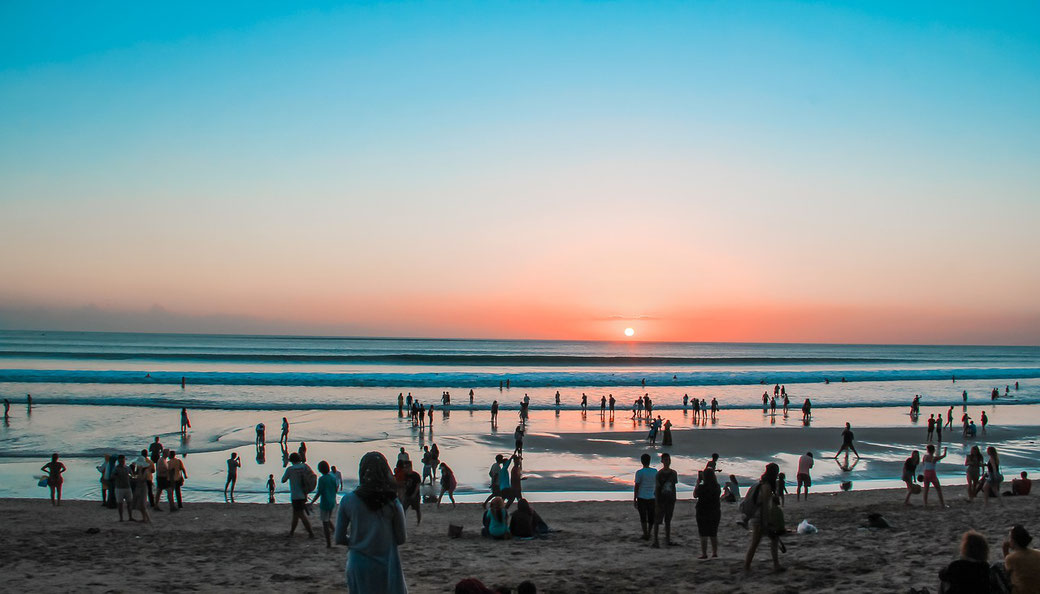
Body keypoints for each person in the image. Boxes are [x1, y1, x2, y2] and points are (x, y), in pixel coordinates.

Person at [334, 451, 407, 594]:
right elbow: (401, 538)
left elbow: (339, 538)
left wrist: (357, 541)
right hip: (387, 565)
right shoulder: (392, 502)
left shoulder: (348, 500)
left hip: (358, 564)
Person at [744, 463, 784, 573]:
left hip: (758, 517)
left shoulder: (761, 483)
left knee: (772, 540)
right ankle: (747, 566)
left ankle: (776, 565)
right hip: (760, 518)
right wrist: (766, 522)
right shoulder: (767, 487)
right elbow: (765, 506)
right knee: (756, 542)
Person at [281, 452, 315, 538]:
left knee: (300, 515)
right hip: (303, 494)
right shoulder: (304, 467)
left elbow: (283, 480)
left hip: (295, 495)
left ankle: (311, 533)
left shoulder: (290, 469)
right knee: (296, 514)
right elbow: (312, 476)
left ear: (291, 460)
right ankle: (291, 532)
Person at [1002, 525, 1040, 593]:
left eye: (1010, 538)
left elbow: (1006, 575)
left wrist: (1005, 550)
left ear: (1013, 541)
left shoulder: (1011, 558)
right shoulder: (1038, 553)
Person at [310, 461, 339, 548]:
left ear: (320, 470)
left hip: (325, 503)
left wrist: (311, 502)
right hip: (332, 502)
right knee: (328, 519)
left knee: (325, 523)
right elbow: (336, 489)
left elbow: (319, 492)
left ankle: (328, 543)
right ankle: (335, 531)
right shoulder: (333, 478)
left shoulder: (322, 479)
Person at [695, 468, 722, 559]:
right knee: (713, 533)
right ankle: (714, 552)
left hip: (702, 511)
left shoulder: (702, 487)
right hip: (714, 511)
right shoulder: (717, 486)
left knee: (703, 533)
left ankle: (704, 553)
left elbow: (695, 495)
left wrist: (698, 483)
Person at [653, 452, 678, 548]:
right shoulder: (659, 474)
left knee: (668, 520)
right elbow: (657, 488)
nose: (668, 462)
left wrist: (674, 498)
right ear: (662, 461)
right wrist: (657, 502)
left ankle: (667, 540)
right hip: (661, 500)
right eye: (666, 460)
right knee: (658, 521)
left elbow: (674, 486)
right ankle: (656, 541)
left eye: (669, 460)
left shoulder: (673, 473)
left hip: (670, 499)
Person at [634, 453, 657, 540]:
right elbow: (657, 483)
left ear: (642, 461)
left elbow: (637, 486)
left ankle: (645, 533)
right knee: (651, 516)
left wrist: (635, 498)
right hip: (652, 496)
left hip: (642, 497)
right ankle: (649, 532)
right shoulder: (654, 471)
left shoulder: (639, 472)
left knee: (643, 516)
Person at [112, 455, 135, 521]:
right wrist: (116, 475)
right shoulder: (116, 468)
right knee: (120, 504)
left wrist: (132, 477)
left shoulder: (127, 468)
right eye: (120, 461)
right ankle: (121, 518)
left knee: (129, 503)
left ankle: (130, 517)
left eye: (123, 460)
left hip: (127, 487)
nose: (122, 462)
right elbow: (112, 476)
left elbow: (132, 475)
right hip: (119, 488)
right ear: (118, 461)